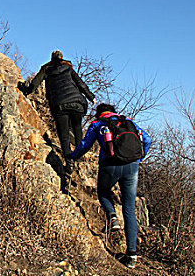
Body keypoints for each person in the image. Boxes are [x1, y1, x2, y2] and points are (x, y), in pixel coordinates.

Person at [68, 103, 152, 269]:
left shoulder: (98, 124)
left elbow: (86, 144)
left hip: (110, 165)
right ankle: (132, 255)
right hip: (132, 166)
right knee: (129, 209)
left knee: (103, 191)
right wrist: (138, 160)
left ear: (99, 114)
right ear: (113, 112)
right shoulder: (128, 121)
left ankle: (112, 216)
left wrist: (73, 156)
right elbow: (147, 139)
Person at [18, 50, 96, 174]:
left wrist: (26, 91)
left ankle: (69, 162)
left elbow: (35, 83)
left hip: (59, 104)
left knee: (63, 134)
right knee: (77, 126)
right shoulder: (68, 68)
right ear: (62, 58)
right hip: (77, 103)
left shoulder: (46, 69)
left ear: (51, 58)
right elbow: (81, 84)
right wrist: (91, 96)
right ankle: (79, 155)